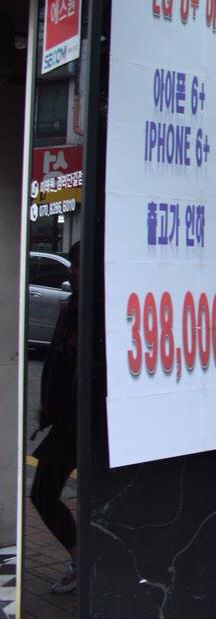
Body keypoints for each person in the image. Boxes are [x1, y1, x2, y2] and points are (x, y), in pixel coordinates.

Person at [30, 241, 79, 594]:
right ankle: (83, 558)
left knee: (44, 492)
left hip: (84, 423)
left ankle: (83, 561)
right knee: (44, 493)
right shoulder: (72, 306)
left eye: (75, 265)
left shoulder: (96, 308)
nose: (71, 272)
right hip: (66, 420)